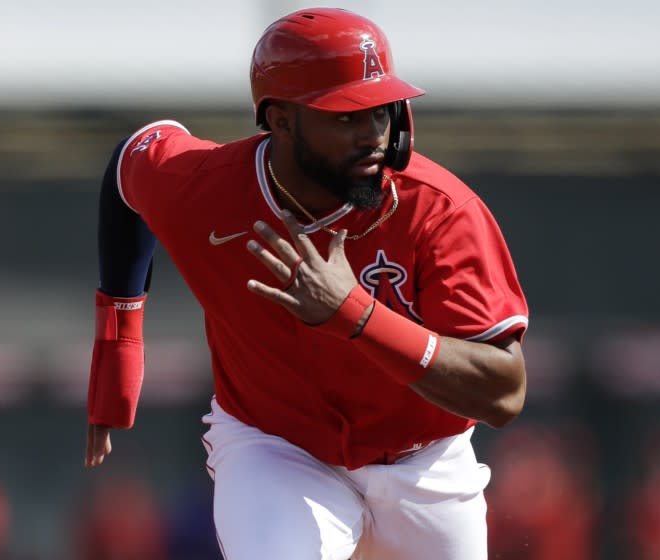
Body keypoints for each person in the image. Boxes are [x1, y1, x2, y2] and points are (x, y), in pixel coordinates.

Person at [83, 7, 528, 560]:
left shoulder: (438, 212)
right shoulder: (203, 188)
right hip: (275, 448)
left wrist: (357, 315)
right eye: (347, 116)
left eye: (382, 110)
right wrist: (117, 356)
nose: (373, 134)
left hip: (424, 459)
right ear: (281, 120)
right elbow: (131, 160)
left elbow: (505, 391)